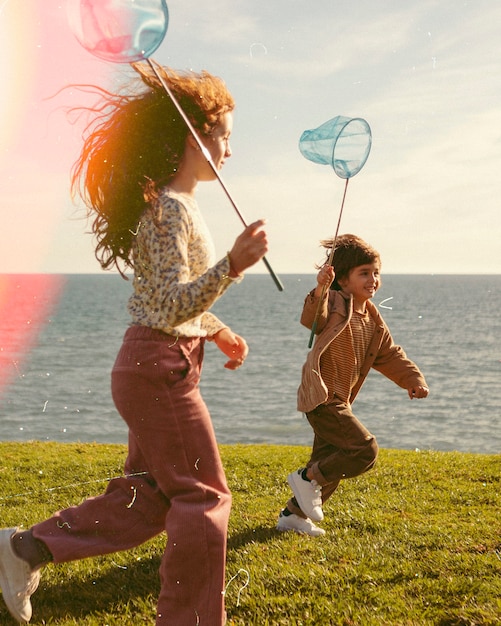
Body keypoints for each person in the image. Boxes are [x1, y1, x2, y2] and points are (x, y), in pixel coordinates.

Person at [0, 63, 268, 624]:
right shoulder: (169, 209)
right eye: (224, 137)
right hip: (160, 365)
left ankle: (22, 550)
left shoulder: (178, 206)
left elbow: (163, 298)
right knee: (203, 496)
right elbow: (171, 306)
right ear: (192, 135)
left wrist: (217, 330)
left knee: (149, 496)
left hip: (155, 361)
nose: (229, 151)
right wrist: (235, 264)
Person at [277, 234, 429, 537]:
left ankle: (292, 516)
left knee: (329, 463)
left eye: (376, 273)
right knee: (363, 449)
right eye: (364, 273)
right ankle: (306, 478)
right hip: (322, 396)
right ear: (343, 280)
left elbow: (389, 354)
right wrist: (321, 287)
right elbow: (313, 318)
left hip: (341, 400)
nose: (373, 279)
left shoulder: (372, 318)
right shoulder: (335, 301)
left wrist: (412, 379)